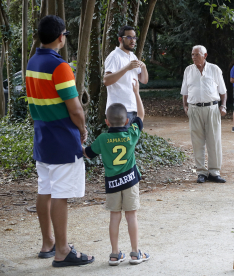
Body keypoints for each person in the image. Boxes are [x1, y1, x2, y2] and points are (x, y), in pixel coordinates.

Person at [25, 15, 94, 267]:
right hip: (62, 139)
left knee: (45, 189)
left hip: (42, 138)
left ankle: (48, 243)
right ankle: (63, 251)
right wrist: (82, 128)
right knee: (61, 195)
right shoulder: (60, 66)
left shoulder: (32, 62)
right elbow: (75, 109)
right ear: (60, 38)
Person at [83, 79, 150, 266]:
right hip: (130, 181)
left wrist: (77, 142)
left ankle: (114, 254)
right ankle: (136, 253)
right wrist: (136, 92)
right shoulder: (131, 134)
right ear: (127, 121)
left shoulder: (103, 138)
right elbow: (142, 115)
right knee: (131, 216)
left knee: (115, 216)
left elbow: (87, 153)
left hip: (112, 183)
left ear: (106, 121)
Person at [181, 45, 227, 183]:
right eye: (192, 54)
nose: (194, 57)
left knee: (214, 140)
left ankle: (214, 172)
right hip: (194, 109)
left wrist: (223, 106)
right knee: (197, 141)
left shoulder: (214, 69)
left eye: (197, 54)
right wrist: (185, 107)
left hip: (212, 108)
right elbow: (184, 91)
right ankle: (201, 172)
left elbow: (223, 91)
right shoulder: (188, 70)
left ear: (205, 55)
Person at [103, 25, 149, 127]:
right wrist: (126, 68)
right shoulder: (114, 56)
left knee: (131, 142)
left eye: (134, 38)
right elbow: (106, 81)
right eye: (129, 37)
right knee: (121, 142)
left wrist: (144, 67)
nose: (132, 40)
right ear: (120, 39)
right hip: (118, 110)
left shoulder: (132, 56)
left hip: (133, 107)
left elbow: (144, 80)